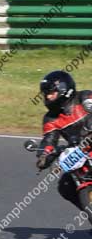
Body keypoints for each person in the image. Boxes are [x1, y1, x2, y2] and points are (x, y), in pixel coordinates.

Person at [36, 70, 92, 210]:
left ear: (63, 89)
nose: (48, 97)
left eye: (51, 92)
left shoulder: (84, 98)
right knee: (65, 186)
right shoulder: (51, 118)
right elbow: (49, 139)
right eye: (46, 94)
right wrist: (44, 155)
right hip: (80, 149)